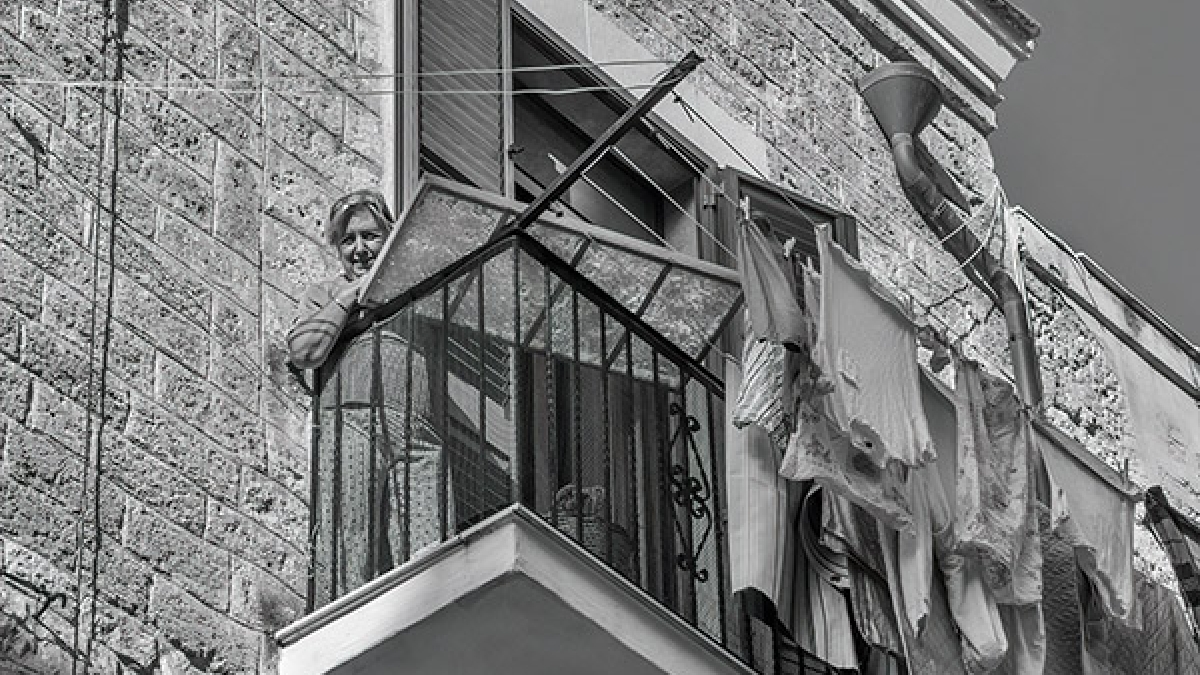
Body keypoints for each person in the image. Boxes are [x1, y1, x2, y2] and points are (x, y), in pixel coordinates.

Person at [289, 189, 447, 609]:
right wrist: (349, 298)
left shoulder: (419, 288)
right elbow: (303, 351)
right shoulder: (324, 293)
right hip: (352, 420)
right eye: (348, 240)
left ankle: (426, 622)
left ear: (389, 236)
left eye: (370, 236)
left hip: (419, 434)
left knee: (429, 548)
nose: (359, 248)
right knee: (347, 533)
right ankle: (337, 617)